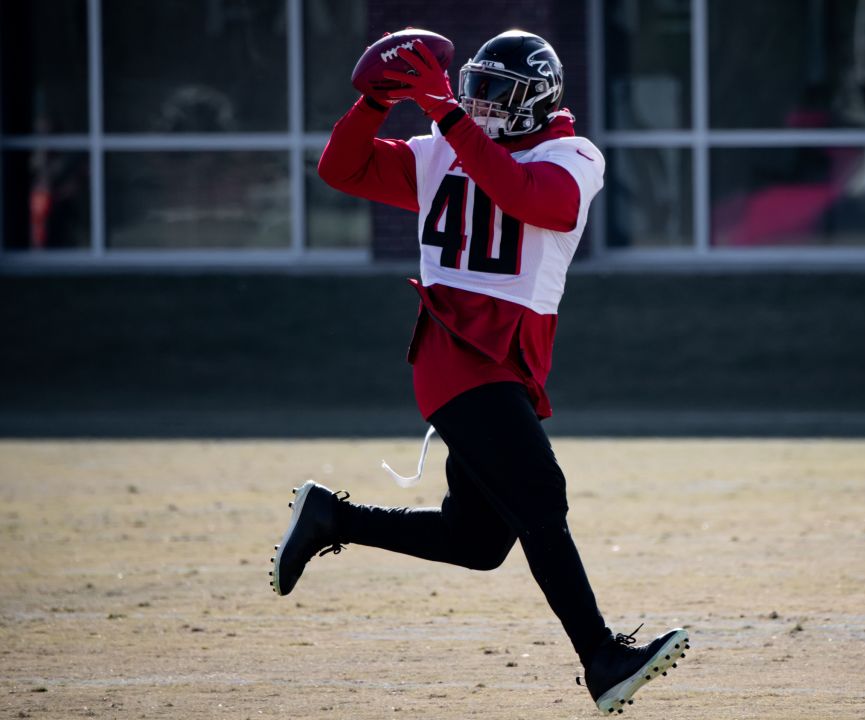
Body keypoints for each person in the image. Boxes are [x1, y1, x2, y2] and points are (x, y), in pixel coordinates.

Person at [267, 29, 688, 714]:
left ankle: (331, 518)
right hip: (456, 353)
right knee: (541, 497)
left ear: (540, 101)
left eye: (499, 94)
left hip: (503, 363)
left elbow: (530, 197)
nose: (481, 104)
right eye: (475, 89)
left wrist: (451, 118)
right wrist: (374, 104)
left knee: (479, 540)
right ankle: (602, 659)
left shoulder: (572, 154)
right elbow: (340, 170)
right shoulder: (443, 148)